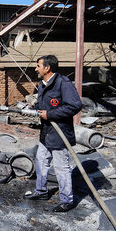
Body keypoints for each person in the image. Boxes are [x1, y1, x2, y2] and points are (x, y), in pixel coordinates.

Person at [25, 55, 82, 212]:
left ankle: (67, 200)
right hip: (46, 132)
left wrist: (50, 115)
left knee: (61, 167)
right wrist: (33, 111)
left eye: (38, 66)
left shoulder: (63, 83)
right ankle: (41, 191)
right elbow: (43, 106)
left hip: (60, 133)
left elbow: (75, 105)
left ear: (47, 68)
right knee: (41, 162)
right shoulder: (43, 84)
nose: (36, 68)